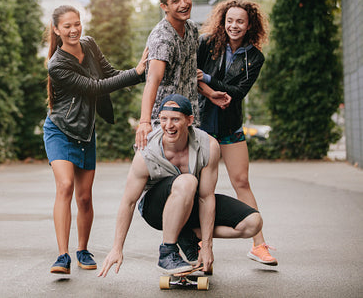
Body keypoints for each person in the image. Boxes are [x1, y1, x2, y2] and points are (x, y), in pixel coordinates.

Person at [98, 94, 263, 277]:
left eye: (175, 119)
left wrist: (207, 246)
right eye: (164, 119)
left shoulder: (208, 145)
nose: (169, 126)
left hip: (190, 203)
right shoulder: (146, 152)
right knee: (188, 181)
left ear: (189, 120)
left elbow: (206, 197)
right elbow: (128, 202)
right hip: (155, 210)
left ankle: (189, 235)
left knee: (253, 223)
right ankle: (167, 253)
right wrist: (116, 248)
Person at [43, 5, 148, 274]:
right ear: (56, 29)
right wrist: (135, 73)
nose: (74, 29)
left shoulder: (89, 45)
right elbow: (94, 88)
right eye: (67, 26)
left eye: (77, 23)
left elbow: (110, 76)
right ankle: (62, 256)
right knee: (65, 186)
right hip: (60, 130)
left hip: (85, 133)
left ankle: (82, 250)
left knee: (85, 198)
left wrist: (147, 73)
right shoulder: (56, 64)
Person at [196, 0, 277, 265]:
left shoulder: (254, 56)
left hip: (230, 126)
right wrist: (208, 87)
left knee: (241, 182)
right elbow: (189, 76)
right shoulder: (206, 44)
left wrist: (206, 78)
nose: (234, 25)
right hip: (203, 125)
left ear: (249, 24)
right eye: (230, 20)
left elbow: (238, 92)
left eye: (240, 21)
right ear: (223, 21)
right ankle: (197, 243)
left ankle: (259, 245)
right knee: (200, 185)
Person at [135, 0, 231, 151]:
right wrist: (144, 122)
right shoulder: (162, 38)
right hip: (164, 124)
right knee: (170, 178)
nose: (183, 4)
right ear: (164, 6)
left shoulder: (192, 29)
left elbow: (188, 74)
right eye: (175, 1)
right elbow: (152, 81)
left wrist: (210, 94)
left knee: (199, 170)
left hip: (188, 120)